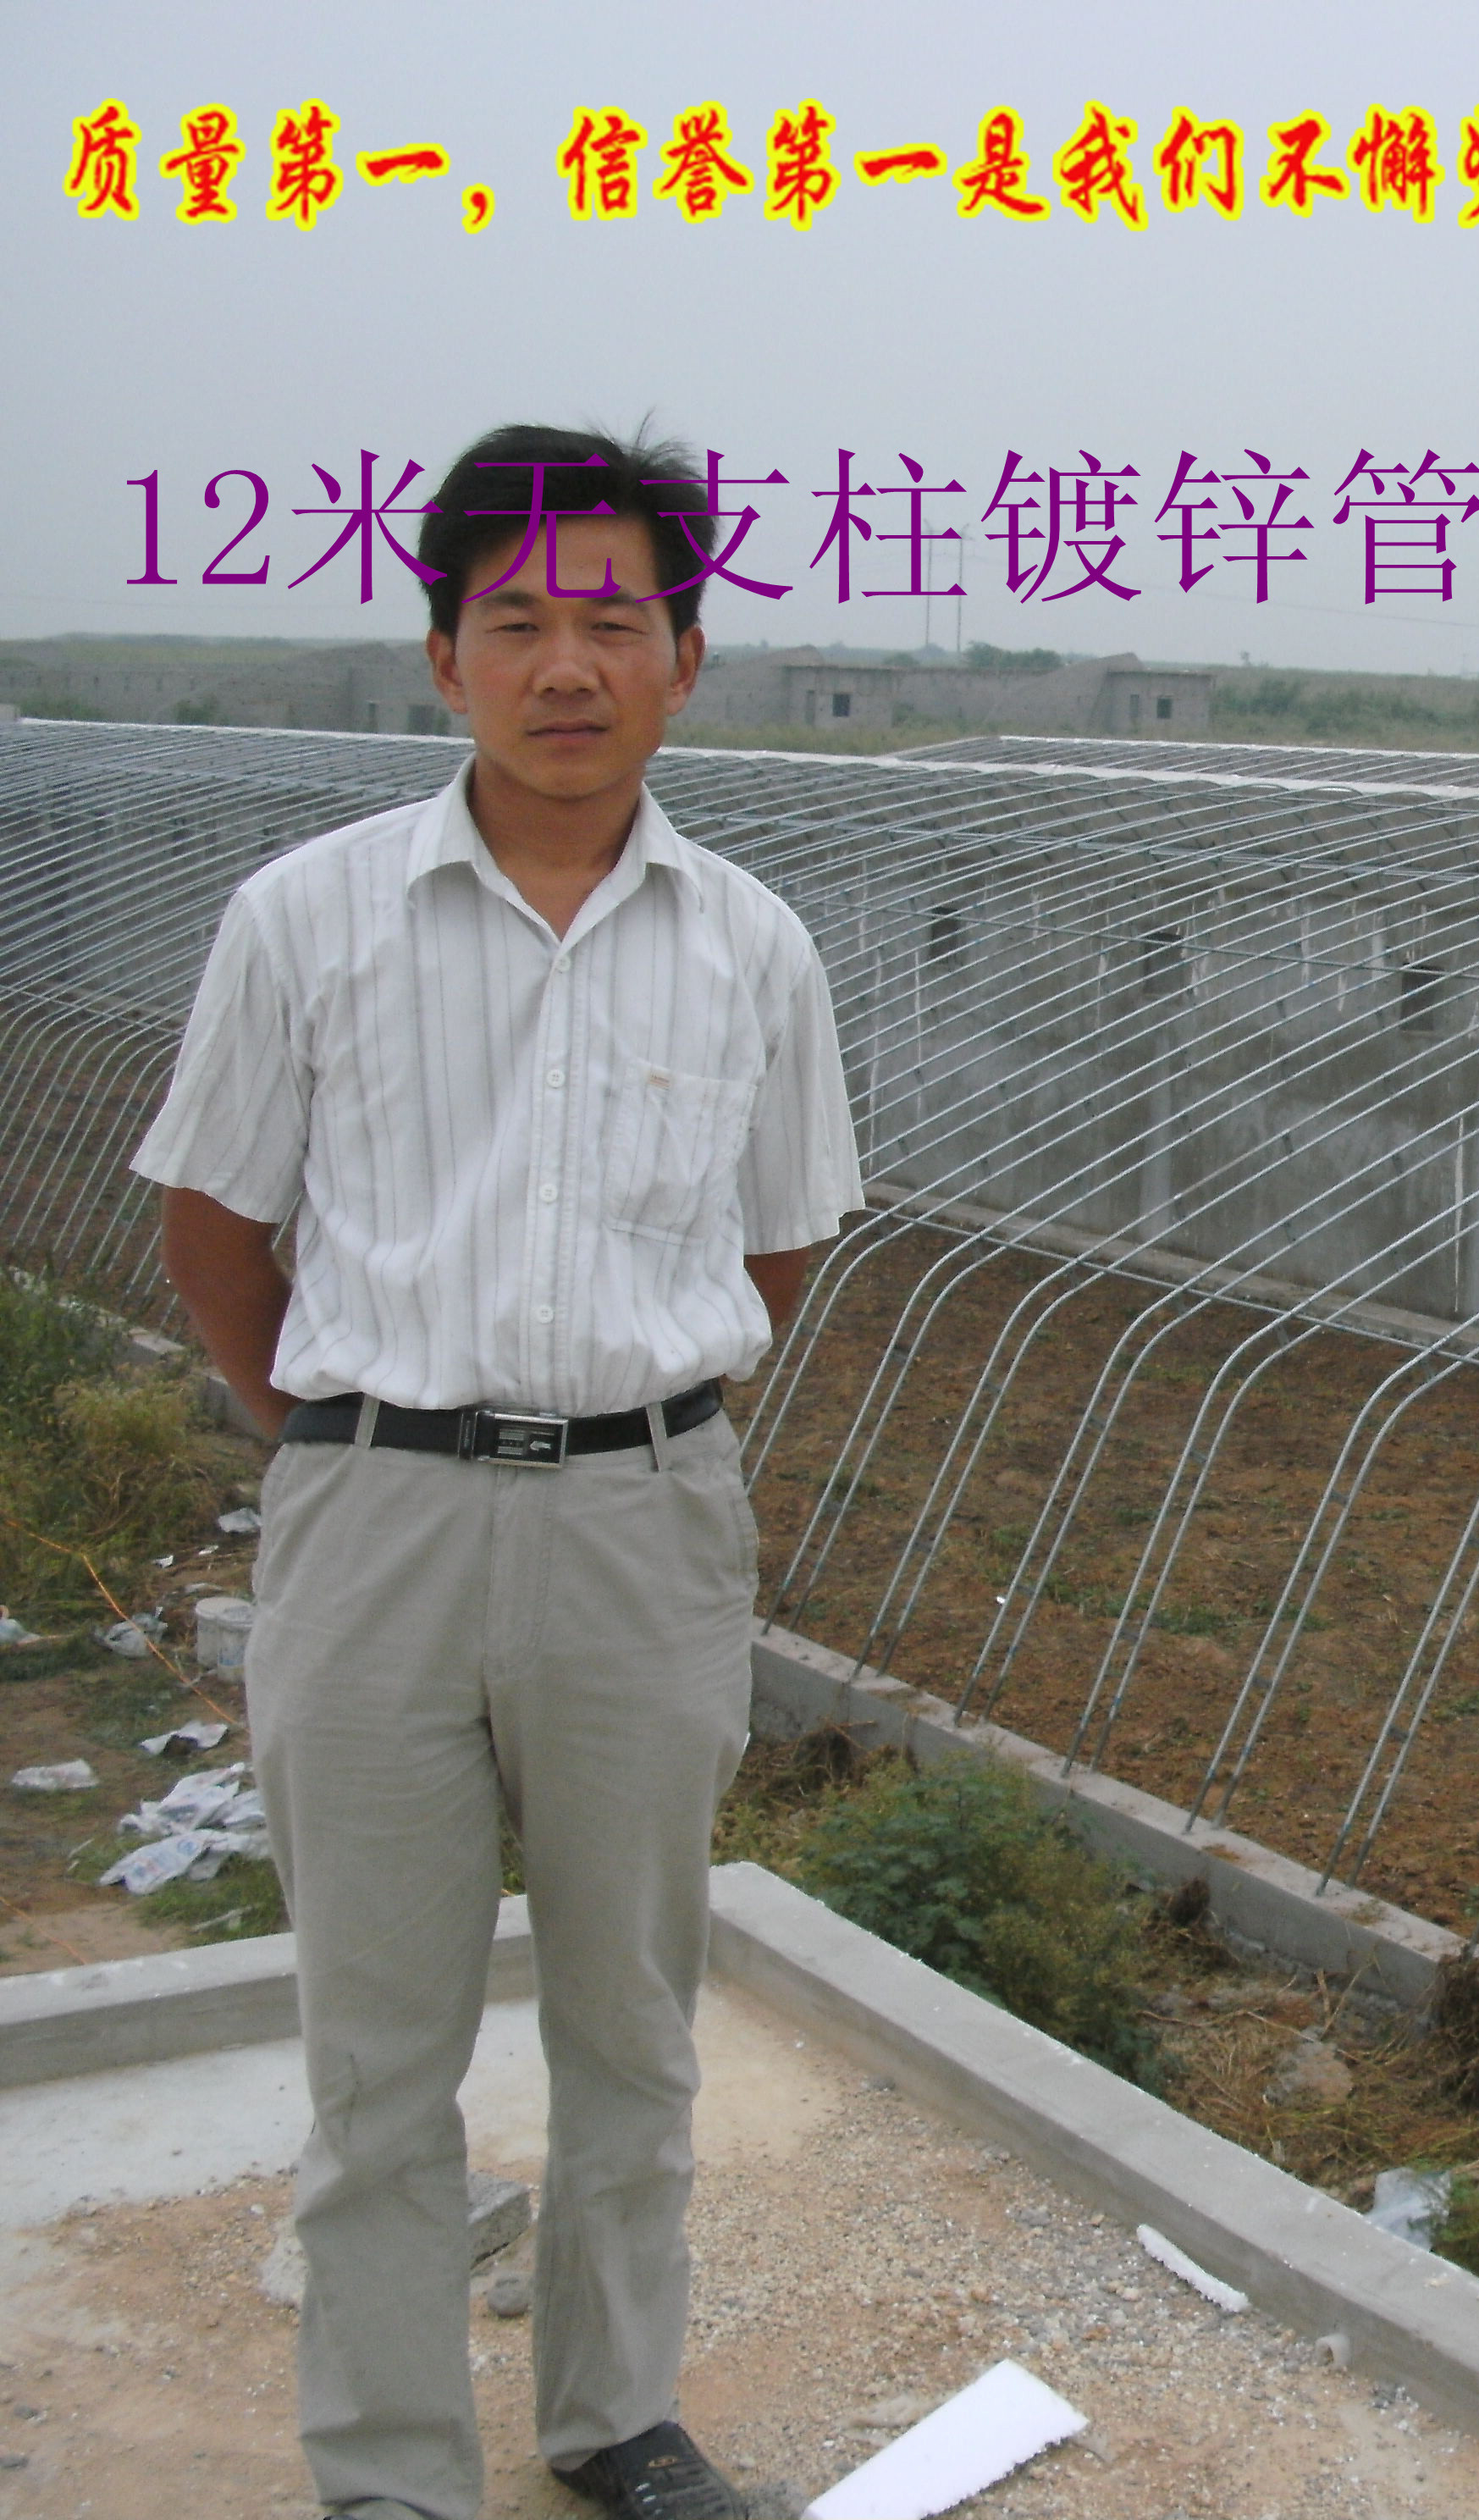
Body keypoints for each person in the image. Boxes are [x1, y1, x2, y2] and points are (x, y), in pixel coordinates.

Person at [135, 423, 862, 2520]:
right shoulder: (307, 919)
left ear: (686, 662)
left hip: (645, 1524)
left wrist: (629, 1413)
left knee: (632, 2020)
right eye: (517, 620)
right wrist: (336, 1435)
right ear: (440, 654)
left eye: (612, 623)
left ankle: (614, 2419)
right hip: (375, 1514)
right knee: (378, 2047)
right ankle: (390, 2470)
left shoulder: (752, 946)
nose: (566, 666)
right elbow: (216, 1226)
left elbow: (774, 1244)